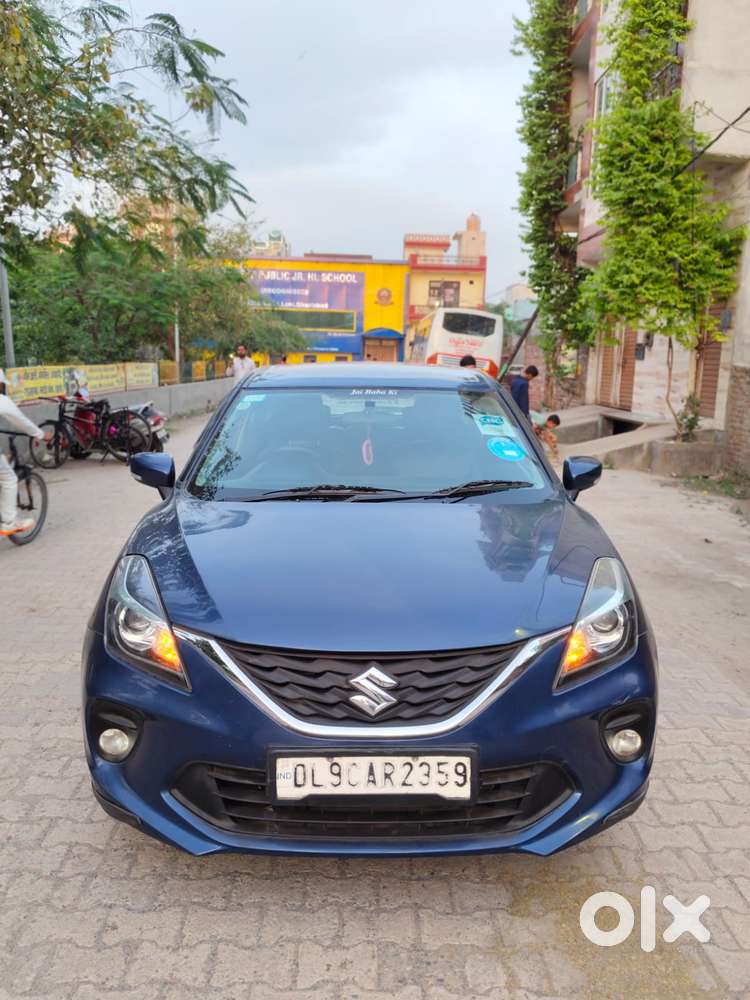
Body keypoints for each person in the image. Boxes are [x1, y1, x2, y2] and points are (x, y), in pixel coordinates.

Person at [0, 369, 52, 535]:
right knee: (9, 478)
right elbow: (20, 420)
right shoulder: (2, 400)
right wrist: (41, 434)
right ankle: (9, 522)